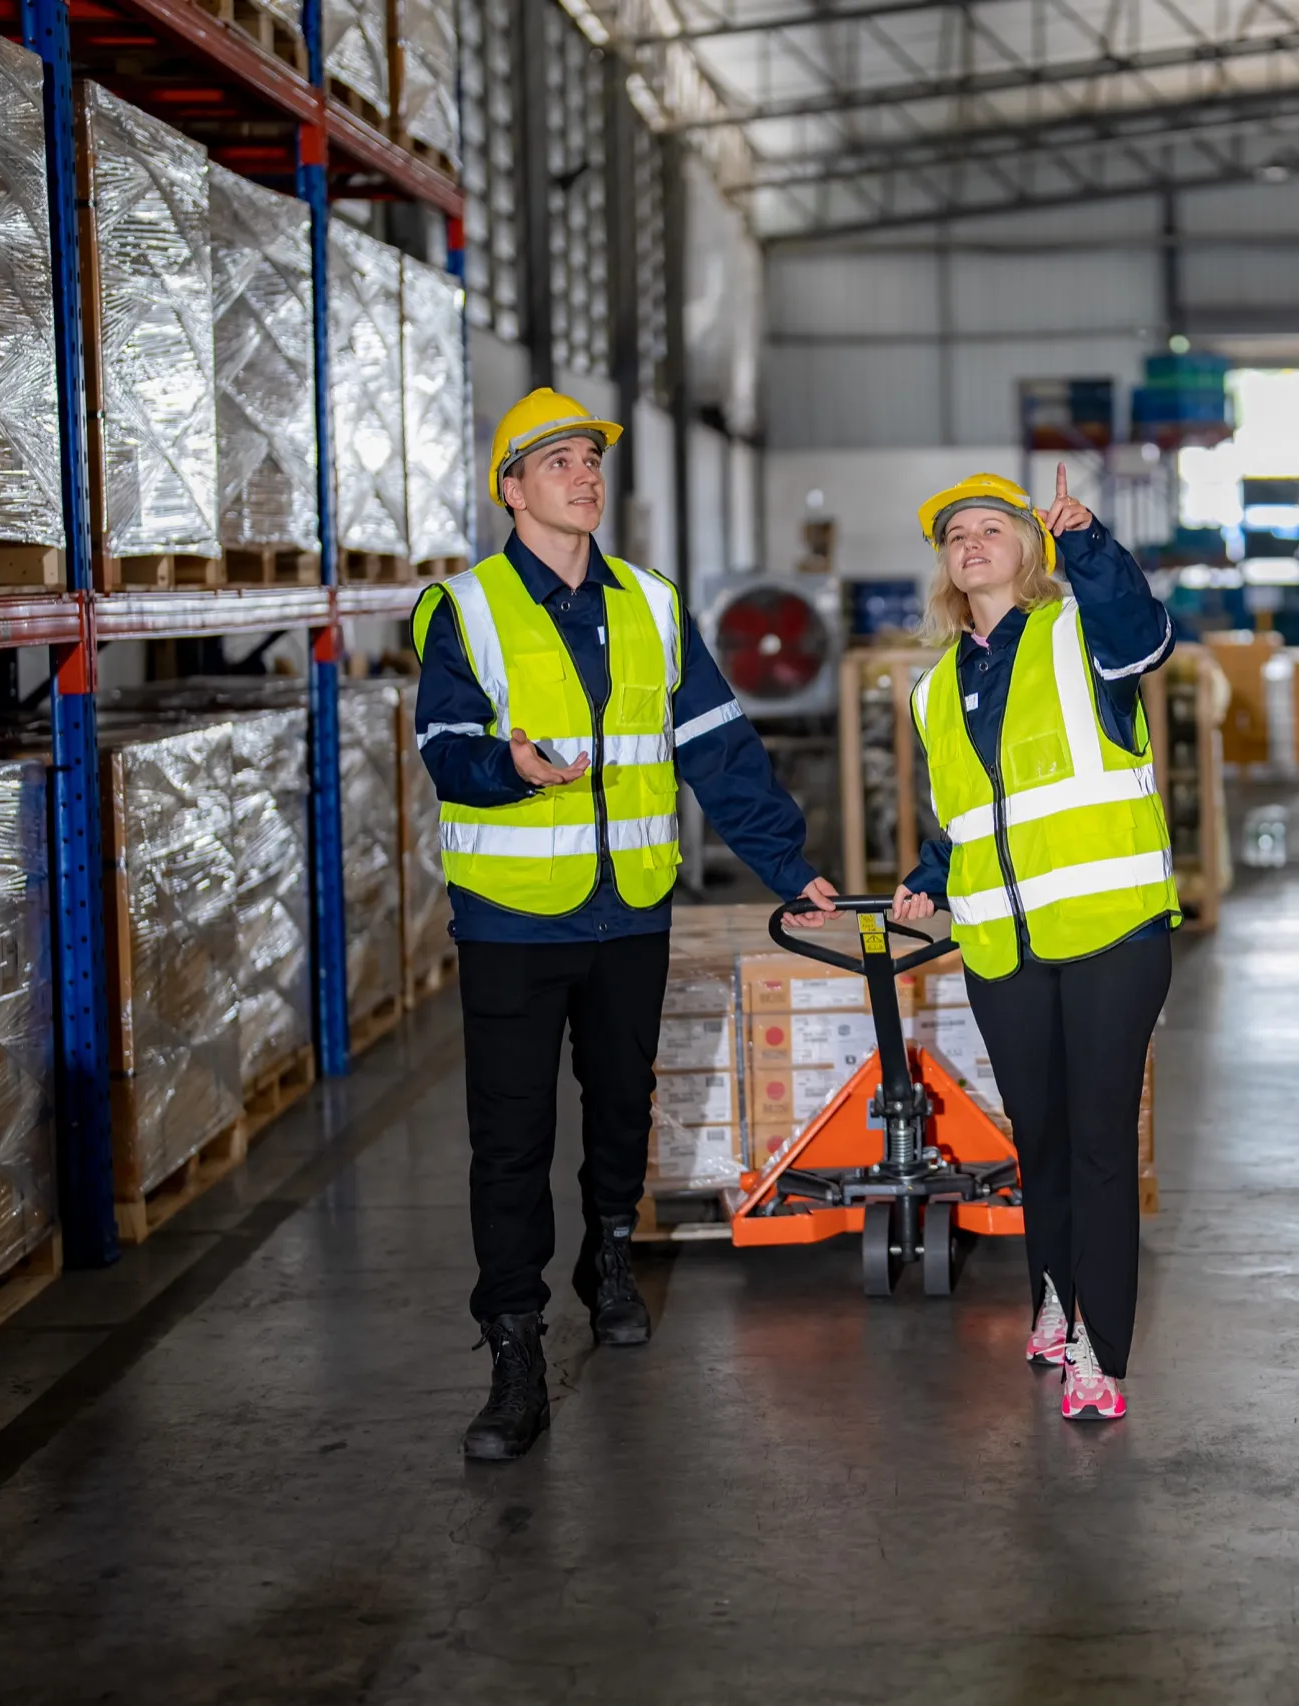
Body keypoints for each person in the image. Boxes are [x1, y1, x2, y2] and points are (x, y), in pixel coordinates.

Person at [413, 387, 839, 1463]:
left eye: (591, 459)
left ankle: (607, 1253)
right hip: (512, 918)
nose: (583, 475)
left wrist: (791, 869)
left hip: (628, 911)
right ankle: (512, 1345)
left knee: (620, 1105)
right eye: (557, 461)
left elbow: (719, 752)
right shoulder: (462, 610)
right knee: (509, 1140)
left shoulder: (651, 604)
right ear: (511, 488)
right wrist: (504, 768)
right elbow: (446, 748)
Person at [887, 467, 1175, 1423]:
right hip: (1001, 945)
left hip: (1109, 932)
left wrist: (1088, 541)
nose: (972, 542)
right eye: (956, 533)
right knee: (1040, 1138)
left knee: (1097, 1143)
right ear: (946, 567)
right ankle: (1054, 1292)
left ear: (1030, 547)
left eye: (992, 528)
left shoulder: (1082, 634)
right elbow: (971, 819)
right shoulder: (934, 690)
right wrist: (926, 882)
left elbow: (1145, 627)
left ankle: (1099, 1347)